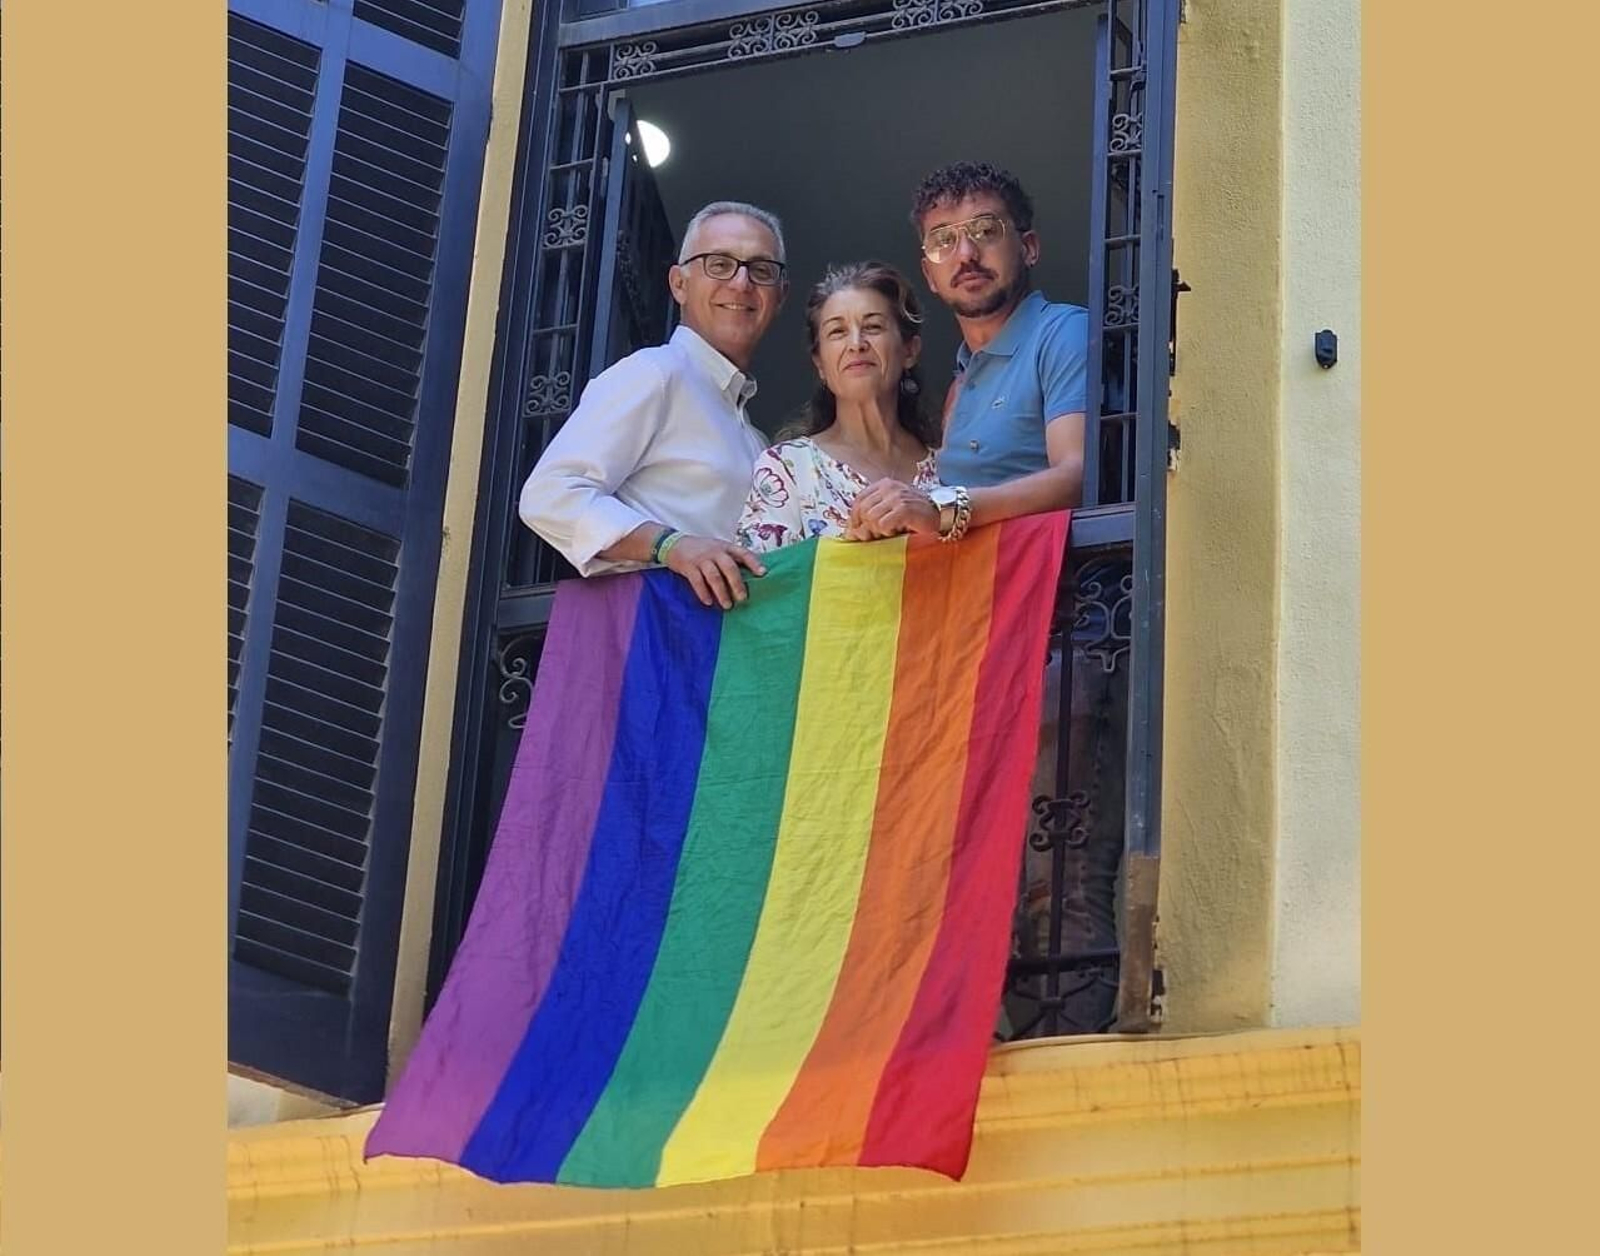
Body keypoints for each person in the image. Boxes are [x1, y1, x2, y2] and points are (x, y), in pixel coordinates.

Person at [519, 200, 789, 609]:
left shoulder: (755, 440)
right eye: (719, 264)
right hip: (652, 640)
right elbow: (550, 495)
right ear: (679, 283)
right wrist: (671, 546)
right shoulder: (655, 373)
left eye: (761, 270)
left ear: (780, 297)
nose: (741, 283)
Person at [845, 160, 1087, 540]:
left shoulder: (1062, 332)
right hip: (981, 592)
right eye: (943, 240)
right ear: (930, 276)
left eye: (986, 230)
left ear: (1029, 248)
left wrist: (943, 509)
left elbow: (1078, 476)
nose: (965, 254)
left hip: (1055, 587)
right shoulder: (960, 382)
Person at [736, 261, 941, 552]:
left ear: (909, 350)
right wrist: (847, 548)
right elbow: (764, 585)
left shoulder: (949, 465)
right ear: (820, 363)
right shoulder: (788, 469)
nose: (856, 344)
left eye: (872, 326)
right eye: (837, 332)